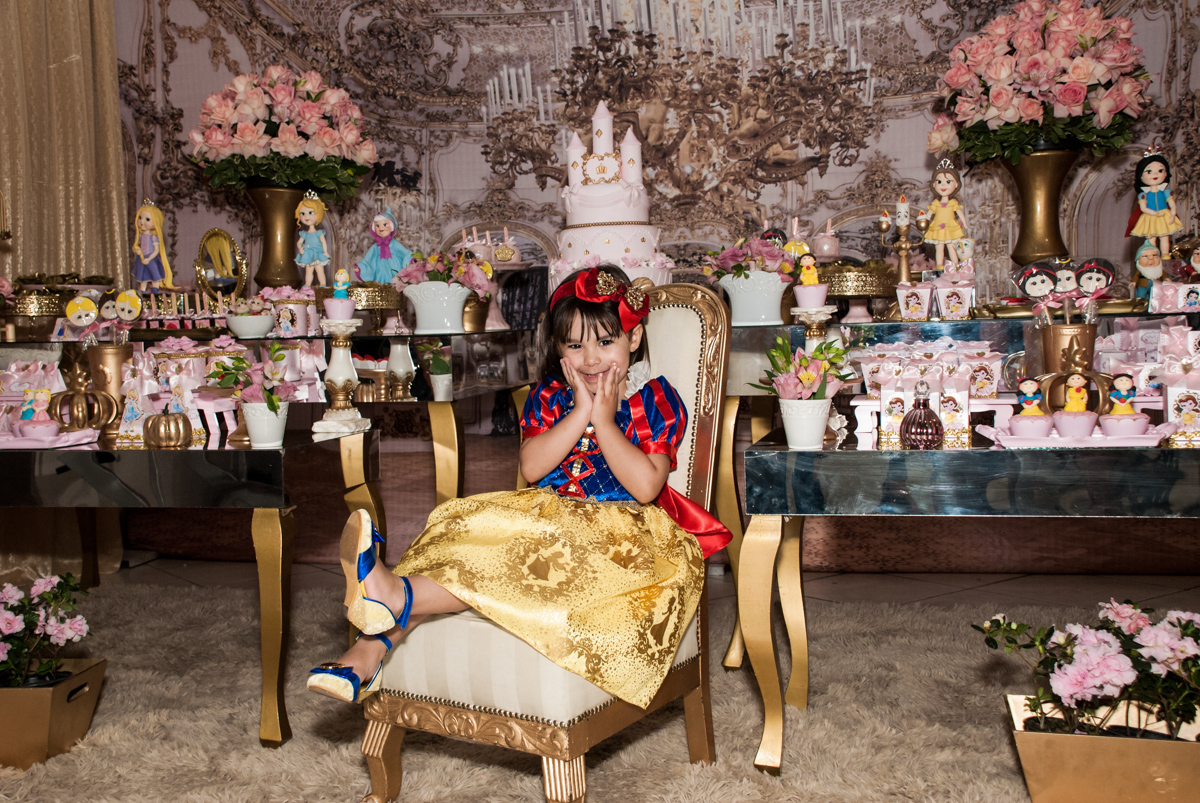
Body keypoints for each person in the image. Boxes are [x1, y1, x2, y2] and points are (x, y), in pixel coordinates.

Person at [307, 265, 731, 706]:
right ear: (558, 347)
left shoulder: (653, 397)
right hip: (545, 515)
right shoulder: (551, 397)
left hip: (619, 537)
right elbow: (532, 467)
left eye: (606, 342)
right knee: (464, 539)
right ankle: (371, 647)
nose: (590, 359)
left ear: (634, 339)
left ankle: (389, 609)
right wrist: (580, 411)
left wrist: (603, 420)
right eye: (574, 344)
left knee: (522, 557)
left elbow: (646, 487)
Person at [1126, 148, 1183, 256]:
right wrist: (1155, 213)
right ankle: (1153, 255)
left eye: (1160, 170)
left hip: (1164, 216)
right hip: (1150, 217)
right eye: (1149, 171)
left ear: (1166, 173)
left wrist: (1172, 214)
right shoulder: (1143, 194)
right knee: (1151, 239)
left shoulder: (1166, 192)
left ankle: (1165, 256)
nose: (1155, 174)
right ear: (1141, 176)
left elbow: (1172, 205)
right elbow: (1143, 208)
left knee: (1164, 238)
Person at [920, 159, 969, 270]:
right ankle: (939, 266)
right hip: (938, 227)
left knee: (951, 247)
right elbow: (928, 215)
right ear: (934, 184)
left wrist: (965, 225)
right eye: (939, 181)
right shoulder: (936, 203)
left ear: (956, 184)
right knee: (939, 247)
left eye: (948, 182)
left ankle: (956, 265)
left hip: (950, 227)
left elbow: (960, 214)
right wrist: (923, 221)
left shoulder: (953, 203)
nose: (943, 185)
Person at [355, 207, 412, 283]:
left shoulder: (394, 244)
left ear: (392, 227)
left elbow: (406, 254)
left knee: (395, 285)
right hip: (379, 272)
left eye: (385, 224)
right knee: (380, 285)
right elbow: (367, 260)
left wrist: (408, 264)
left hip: (394, 271)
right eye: (377, 226)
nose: (381, 228)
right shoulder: (375, 247)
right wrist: (360, 268)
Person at [131, 200, 176, 292]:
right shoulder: (139, 236)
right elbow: (135, 246)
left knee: (155, 277)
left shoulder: (154, 238)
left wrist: (149, 258)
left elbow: (156, 251)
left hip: (151, 259)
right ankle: (142, 293)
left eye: (147, 219)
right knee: (142, 278)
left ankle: (155, 292)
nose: (142, 221)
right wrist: (136, 250)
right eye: (140, 218)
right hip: (141, 259)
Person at [295, 191, 332, 287]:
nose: (306, 216)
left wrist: (325, 252)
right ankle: (307, 284)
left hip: (318, 253)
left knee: (319, 269)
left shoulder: (319, 232)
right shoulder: (304, 233)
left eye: (310, 213)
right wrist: (300, 248)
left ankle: (323, 284)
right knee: (308, 270)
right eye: (303, 214)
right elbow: (299, 243)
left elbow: (324, 243)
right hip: (308, 254)